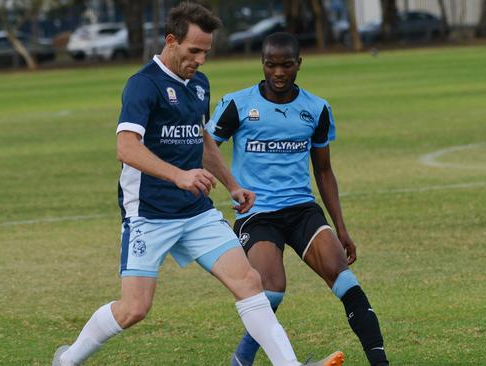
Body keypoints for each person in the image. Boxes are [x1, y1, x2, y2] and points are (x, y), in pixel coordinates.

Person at [51, 4, 344, 366]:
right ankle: (66, 361)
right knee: (134, 308)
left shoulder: (199, 85)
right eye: (194, 51)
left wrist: (232, 184)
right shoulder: (144, 85)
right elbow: (125, 148)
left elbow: (203, 141)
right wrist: (179, 175)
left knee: (249, 283)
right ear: (171, 41)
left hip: (196, 212)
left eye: (206, 51)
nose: (201, 59)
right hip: (149, 214)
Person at [205, 32, 389, 366]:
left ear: (298, 64)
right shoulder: (238, 104)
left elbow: (324, 171)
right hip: (257, 213)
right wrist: (229, 185)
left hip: (302, 210)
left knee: (344, 277)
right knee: (272, 288)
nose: (278, 72)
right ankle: (241, 361)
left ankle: (380, 362)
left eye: (286, 65)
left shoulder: (316, 109)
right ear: (262, 64)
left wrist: (341, 228)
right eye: (271, 65)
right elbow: (206, 150)